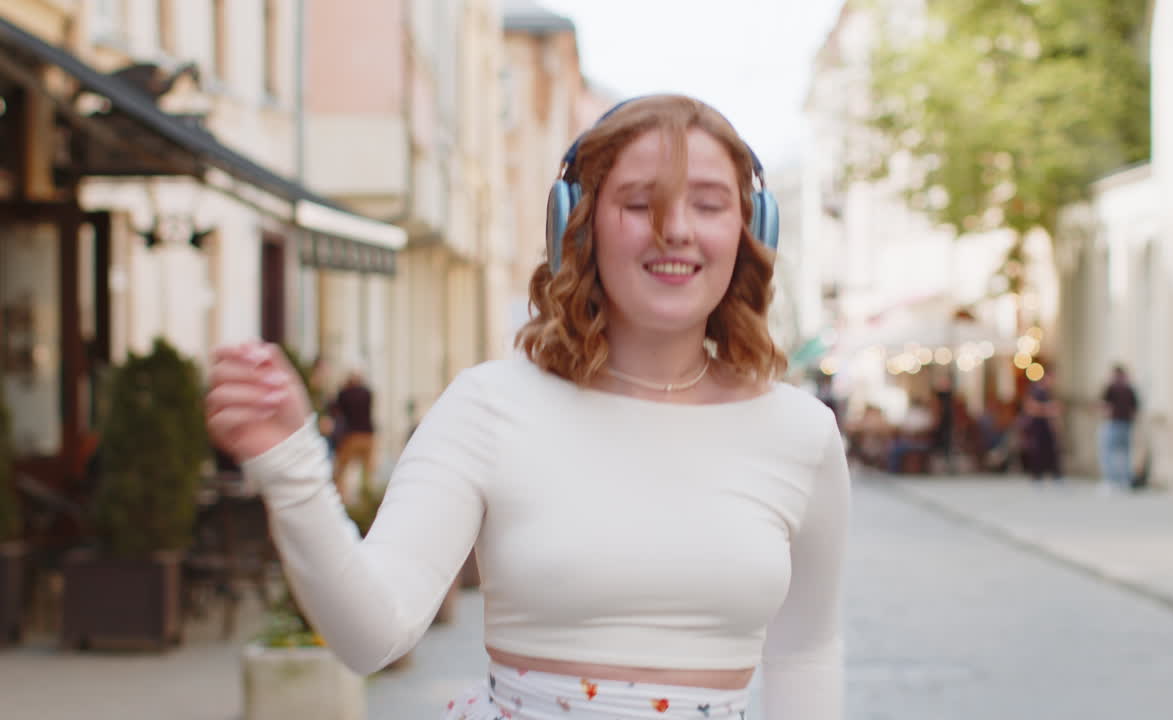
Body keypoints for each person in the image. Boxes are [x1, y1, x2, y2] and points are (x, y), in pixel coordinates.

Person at [205, 95, 848, 719]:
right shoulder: (488, 406)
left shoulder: (801, 433)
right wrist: (291, 469)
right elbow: (371, 637)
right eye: (639, 203)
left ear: (750, 229)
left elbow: (806, 654)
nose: (675, 229)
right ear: (579, 223)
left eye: (708, 205)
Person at [330, 368, 377, 502]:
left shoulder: (344, 394)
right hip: (368, 435)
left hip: (351, 436)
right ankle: (367, 499)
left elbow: (335, 409)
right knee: (367, 472)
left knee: (341, 471)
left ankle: (340, 499)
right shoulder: (367, 393)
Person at [1098, 363, 1139, 492]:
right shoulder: (1130, 388)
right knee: (1125, 453)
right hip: (1126, 424)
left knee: (1108, 453)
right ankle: (1125, 480)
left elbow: (1104, 405)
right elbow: (1135, 409)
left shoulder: (1111, 387)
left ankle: (1111, 481)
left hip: (1113, 423)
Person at [1021, 367, 1064, 484]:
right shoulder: (1036, 390)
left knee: (1051, 451)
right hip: (1037, 427)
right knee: (1038, 451)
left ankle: (1056, 476)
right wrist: (1048, 409)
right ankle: (1037, 476)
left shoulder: (1049, 392)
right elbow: (1030, 407)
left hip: (1047, 427)